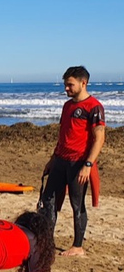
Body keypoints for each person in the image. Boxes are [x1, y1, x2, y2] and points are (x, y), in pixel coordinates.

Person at [38, 66, 106, 257]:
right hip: (60, 160)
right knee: (48, 200)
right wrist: (52, 159)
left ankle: (77, 246)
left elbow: (99, 138)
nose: (66, 89)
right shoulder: (67, 106)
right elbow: (63, 135)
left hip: (79, 163)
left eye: (70, 85)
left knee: (77, 204)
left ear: (83, 83)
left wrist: (88, 165)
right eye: (65, 85)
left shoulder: (94, 106)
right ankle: (47, 241)